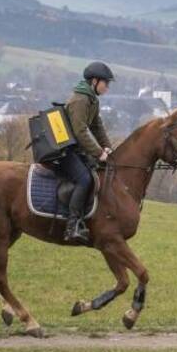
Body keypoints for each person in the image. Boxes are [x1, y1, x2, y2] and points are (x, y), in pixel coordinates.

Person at [60, 61, 114, 243]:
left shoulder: (92, 100)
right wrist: (99, 152)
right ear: (94, 81)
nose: (107, 87)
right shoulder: (80, 100)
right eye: (106, 82)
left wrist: (108, 147)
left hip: (78, 150)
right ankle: (72, 226)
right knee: (85, 178)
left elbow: (97, 127)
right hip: (65, 152)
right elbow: (80, 131)